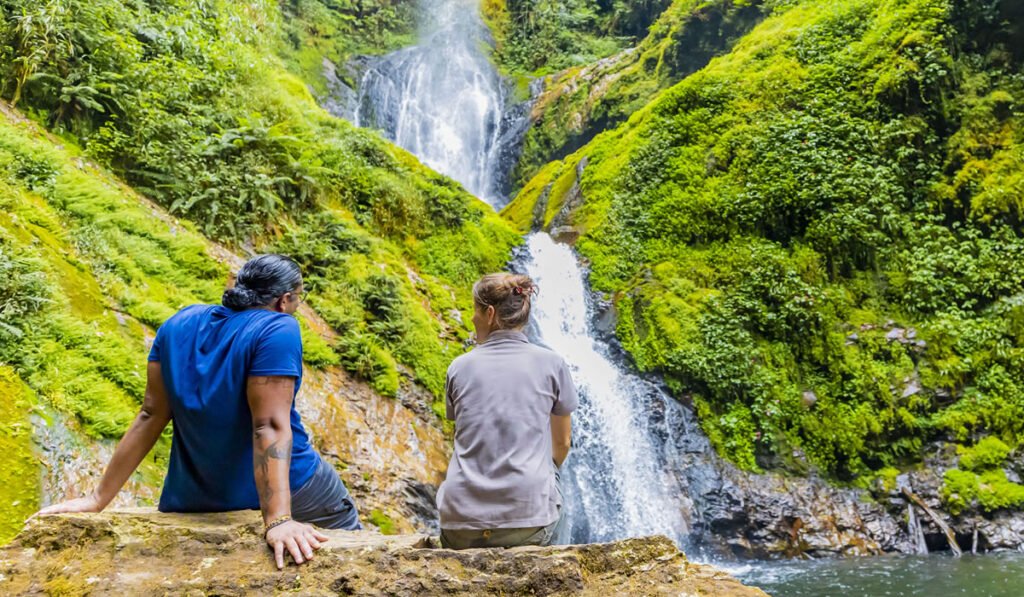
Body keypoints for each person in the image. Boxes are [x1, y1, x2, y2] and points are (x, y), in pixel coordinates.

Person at [36, 254, 361, 569]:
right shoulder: (278, 328)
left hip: (197, 496)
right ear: (284, 300)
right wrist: (278, 520)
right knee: (348, 530)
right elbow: (268, 427)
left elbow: (151, 414)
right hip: (294, 486)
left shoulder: (178, 323)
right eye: (299, 299)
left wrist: (97, 499)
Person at [437, 273, 578, 549]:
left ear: (489, 313)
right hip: (528, 525)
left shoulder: (458, 367)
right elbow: (562, 443)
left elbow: (466, 435)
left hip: (459, 527)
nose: (472, 318)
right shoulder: (553, 363)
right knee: (552, 480)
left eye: (475, 311)